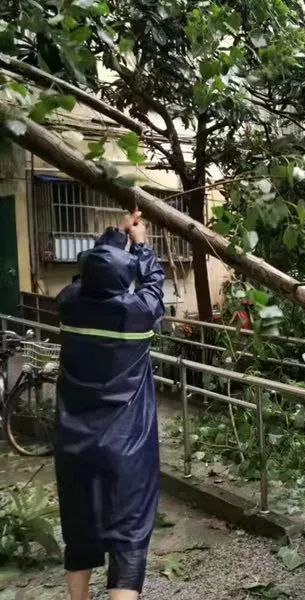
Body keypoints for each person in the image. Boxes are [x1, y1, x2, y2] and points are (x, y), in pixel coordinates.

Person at [55, 210, 165, 600]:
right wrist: (143, 244)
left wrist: (115, 239)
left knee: (80, 533)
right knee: (128, 539)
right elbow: (154, 284)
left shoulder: (68, 304)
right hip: (126, 449)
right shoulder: (136, 315)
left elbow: (94, 272)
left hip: (74, 445)